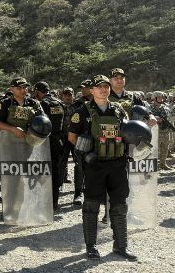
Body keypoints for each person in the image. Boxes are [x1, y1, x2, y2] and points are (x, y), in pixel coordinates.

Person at [68, 75, 136, 261]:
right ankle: (91, 246)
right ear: (92, 90)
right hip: (95, 165)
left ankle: (121, 245)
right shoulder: (82, 111)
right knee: (91, 205)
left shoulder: (118, 109)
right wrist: (86, 150)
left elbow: (127, 132)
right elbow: (72, 137)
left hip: (117, 163)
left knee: (119, 205)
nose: (104, 89)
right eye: (99, 87)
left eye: (106, 86)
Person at [0, 78, 44, 203]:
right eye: (19, 88)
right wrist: (13, 129)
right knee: (13, 176)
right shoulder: (5, 103)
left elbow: (43, 120)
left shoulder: (34, 103)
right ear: (12, 89)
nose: (23, 90)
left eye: (25, 87)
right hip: (9, 146)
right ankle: (13, 203)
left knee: (27, 173)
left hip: (28, 145)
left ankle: (27, 202)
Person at [33, 81, 65, 210]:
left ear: (37, 92)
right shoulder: (59, 103)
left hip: (45, 140)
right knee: (55, 171)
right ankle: (54, 202)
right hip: (59, 140)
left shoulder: (41, 104)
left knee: (43, 171)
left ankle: (44, 201)